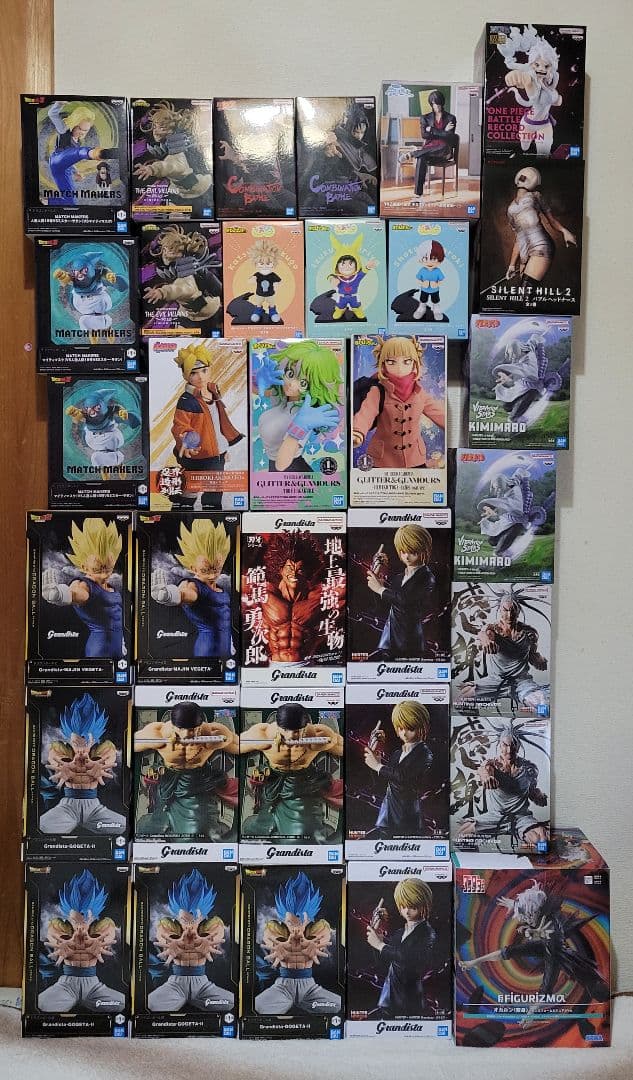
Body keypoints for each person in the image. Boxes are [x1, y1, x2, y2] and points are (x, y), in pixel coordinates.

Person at [459, 878, 610, 1010]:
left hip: (560, 956)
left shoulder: (551, 934)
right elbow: (533, 906)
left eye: (525, 916)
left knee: (587, 989)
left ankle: (602, 995)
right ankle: (474, 962)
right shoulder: (541, 912)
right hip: (547, 943)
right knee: (510, 951)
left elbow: (548, 980)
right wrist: (515, 905)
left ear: (533, 913)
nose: (523, 919)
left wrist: (532, 1012)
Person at [135, 700, 238, 840]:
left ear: (200, 726)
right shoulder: (158, 734)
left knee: (200, 833)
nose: (186, 735)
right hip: (169, 782)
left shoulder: (213, 733)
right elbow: (129, 745)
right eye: (181, 729)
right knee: (156, 827)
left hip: (198, 782)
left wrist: (267, 744)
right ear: (173, 725)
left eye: (192, 730)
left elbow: (239, 746)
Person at [240, 702, 343, 842]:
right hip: (273, 781)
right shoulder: (263, 735)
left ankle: (306, 827)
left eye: (296, 731)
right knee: (259, 825)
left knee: (300, 837)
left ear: (305, 726)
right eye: (285, 730)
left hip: (301, 783)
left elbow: (345, 749)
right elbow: (235, 745)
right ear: (278, 726)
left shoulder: (318, 735)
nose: (291, 736)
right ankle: (267, 825)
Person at [170, 341, 244, 510]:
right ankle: (179, 512)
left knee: (214, 493)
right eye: (193, 373)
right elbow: (179, 425)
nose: (200, 377)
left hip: (216, 455)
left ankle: (212, 516)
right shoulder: (187, 400)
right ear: (186, 376)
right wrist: (186, 440)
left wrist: (222, 447)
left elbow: (217, 423)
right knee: (189, 491)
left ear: (210, 369)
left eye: (204, 370)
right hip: (197, 454)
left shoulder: (213, 391)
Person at [352, 336, 445, 471]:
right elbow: (366, 413)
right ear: (383, 364)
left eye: (407, 361)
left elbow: (438, 413)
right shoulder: (378, 391)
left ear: (415, 363)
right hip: (383, 458)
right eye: (391, 362)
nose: (400, 368)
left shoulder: (419, 393)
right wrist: (357, 432)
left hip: (414, 457)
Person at [38, 869, 124, 1013]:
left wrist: (99, 943)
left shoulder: (104, 926)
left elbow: (109, 937)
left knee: (124, 1005)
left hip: (94, 986)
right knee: (41, 1006)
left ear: (94, 916)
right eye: (75, 920)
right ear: (68, 915)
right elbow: (54, 938)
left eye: (85, 920)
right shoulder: (59, 927)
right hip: (66, 985)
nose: (80, 926)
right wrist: (62, 944)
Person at [148, 868, 234, 1012]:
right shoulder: (167, 927)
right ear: (177, 916)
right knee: (150, 1006)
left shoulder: (213, 926)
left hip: (203, 985)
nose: (189, 926)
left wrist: (207, 941)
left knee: (233, 1004)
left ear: (203, 917)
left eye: (194, 920)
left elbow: (217, 941)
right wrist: (171, 945)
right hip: (175, 984)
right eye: (184, 920)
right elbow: (163, 942)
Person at [39, 693, 125, 836]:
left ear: (95, 739)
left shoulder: (104, 749)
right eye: (76, 742)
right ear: (69, 738)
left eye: (85, 742)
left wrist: (99, 765)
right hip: (67, 807)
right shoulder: (60, 749)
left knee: (123, 827)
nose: (80, 749)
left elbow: (109, 758)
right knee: (42, 828)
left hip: (95, 809)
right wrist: (63, 768)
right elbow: (54, 758)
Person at [255, 871, 340, 1015]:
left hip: (311, 988)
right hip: (282, 987)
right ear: (284, 919)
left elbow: (323, 937)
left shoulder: (319, 928)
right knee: (258, 1007)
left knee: (338, 1006)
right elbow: (270, 938)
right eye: (291, 922)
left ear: (310, 920)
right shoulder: (275, 929)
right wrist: (278, 946)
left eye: (301, 922)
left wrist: (313, 944)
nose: (296, 928)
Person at [457, 719, 548, 849]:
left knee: (541, 840)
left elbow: (532, 792)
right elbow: (484, 771)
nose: (509, 750)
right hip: (496, 816)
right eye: (505, 745)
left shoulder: (529, 769)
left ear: (518, 746)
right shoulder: (492, 765)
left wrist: (539, 796)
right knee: (462, 836)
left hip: (521, 817)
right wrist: (487, 777)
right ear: (500, 745)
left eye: (513, 745)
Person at [253, 340, 342, 473]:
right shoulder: (282, 399)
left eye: (303, 383)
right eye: (290, 373)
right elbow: (256, 390)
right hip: (275, 474)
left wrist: (298, 429)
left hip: (293, 474)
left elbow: (281, 465)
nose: (291, 384)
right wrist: (257, 379)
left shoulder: (305, 414)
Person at [151, 518, 233, 659]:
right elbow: (185, 594)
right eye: (205, 569)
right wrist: (168, 596)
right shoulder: (192, 585)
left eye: (217, 568)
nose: (212, 574)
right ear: (193, 568)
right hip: (208, 650)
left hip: (226, 649)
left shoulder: (219, 586)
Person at [41, 517, 123, 658]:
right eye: (98, 569)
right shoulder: (84, 585)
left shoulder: (111, 584)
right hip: (100, 649)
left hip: (119, 648)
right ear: (84, 567)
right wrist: (59, 594)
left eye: (109, 568)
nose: (104, 574)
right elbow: (77, 593)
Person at [363, 523, 437, 660]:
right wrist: (378, 575)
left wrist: (380, 588)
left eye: (412, 552)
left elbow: (407, 600)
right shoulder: (398, 578)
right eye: (403, 552)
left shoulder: (427, 577)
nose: (407, 556)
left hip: (409, 643)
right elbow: (383, 606)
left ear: (424, 550)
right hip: (388, 641)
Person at [366, 879, 437, 1017]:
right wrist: (378, 938)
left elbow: (410, 957)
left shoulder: (428, 933)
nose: (407, 911)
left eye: (412, 907)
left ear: (424, 905)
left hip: (409, 1001)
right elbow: (384, 962)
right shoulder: (400, 933)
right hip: (388, 998)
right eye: (403, 906)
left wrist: (380, 945)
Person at [468, 588, 549, 710]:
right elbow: (483, 633)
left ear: (518, 611)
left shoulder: (530, 633)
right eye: (505, 610)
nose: (509, 615)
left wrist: (539, 660)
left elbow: (532, 655)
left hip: (522, 682)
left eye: (513, 610)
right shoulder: (492, 629)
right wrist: (485, 640)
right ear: (499, 610)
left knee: (542, 706)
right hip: (495, 681)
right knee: (462, 699)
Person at [363, 701, 434, 838]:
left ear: (423, 727)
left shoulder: (425, 754)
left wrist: (378, 766)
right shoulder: (397, 753)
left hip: (406, 817)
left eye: (410, 728)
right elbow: (386, 779)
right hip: (387, 814)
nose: (404, 733)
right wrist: (376, 755)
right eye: (400, 728)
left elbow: (403, 777)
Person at [505, 166, 576, 289]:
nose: (522, 179)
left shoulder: (536, 196)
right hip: (525, 251)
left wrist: (564, 231)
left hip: (541, 245)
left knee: (526, 290)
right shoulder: (510, 209)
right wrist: (512, 265)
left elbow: (551, 220)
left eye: (524, 178)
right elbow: (518, 238)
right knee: (523, 293)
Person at [133, 100, 213, 208]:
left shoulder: (177, 154)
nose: (155, 131)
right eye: (155, 127)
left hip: (198, 191)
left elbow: (169, 166)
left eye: (161, 127)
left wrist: (151, 169)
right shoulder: (166, 149)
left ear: (170, 131)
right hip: (179, 192)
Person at [497, 25, 562, 156]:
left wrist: (556, 98)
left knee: (543, 154)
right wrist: (514, 75)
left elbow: (557, 100)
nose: (541, 69)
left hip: (545, 124)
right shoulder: (530, 76)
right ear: (532, 64)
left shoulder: (552, 80)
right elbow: (514, 69)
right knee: (524, 147)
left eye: (546, 66)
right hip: (527, 123)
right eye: (537, 65)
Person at [143, 225, 221, 329]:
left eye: (171, 249)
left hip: (207, 309)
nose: (165, 252)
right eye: (165, 249)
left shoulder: (186, 275)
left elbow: (179, 288)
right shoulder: (171, 269)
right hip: (189, 312)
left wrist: (161, 292)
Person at [46, 100, 118, 206]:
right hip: (57, 160)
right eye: (80, 128)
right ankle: (100, 153)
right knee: (81, 152)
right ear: (74, 124)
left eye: (85, 130)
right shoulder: (64, 130)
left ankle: (44, 201)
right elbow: (52, 114)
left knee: (71, 201)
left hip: (65, 169)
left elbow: (71, 158)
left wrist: (76, 172)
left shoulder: (78, 142)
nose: (82, 133)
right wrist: (59, 104)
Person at [397, 90, 457, 207]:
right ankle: (417, 195)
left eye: (439, 104)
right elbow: (424, 135)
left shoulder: (451, 118)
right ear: (431, 104)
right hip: (429, 150)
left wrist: (433, 130)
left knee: (443, 145)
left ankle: (412, 154)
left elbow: (450, 137)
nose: (437, 107)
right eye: (434, 104)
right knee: (421, 158)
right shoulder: (425, 118)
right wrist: (443, 131)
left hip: (444, 152)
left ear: (442, 103)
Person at [53, 251, 127, 336]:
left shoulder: (96, 274)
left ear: (89, 268)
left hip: (97, 299)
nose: (79, 274)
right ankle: (93, 334)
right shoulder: (74, 277)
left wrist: (109, 275)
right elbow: (67, 279)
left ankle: (107, 329)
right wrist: (62, 276)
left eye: (82, 270)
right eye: (75, 271)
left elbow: (105, 272)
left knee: (103, 321)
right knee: (86, 322)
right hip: (83, 303)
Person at [66, 387, 140, 470]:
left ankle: (118, 465)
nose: (91, 411)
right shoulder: (86, 415)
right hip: (95, 439)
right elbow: (79, 416)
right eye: (88, 408)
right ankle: (106, 468)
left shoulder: (109, 411)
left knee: (116, 459)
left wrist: (123, 412)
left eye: (96, 407)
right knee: (98, 459)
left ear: (102, 405)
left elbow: (119, 409)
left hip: (109, 437)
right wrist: (74, 412)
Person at [327, 232, 377, 321]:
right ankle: (340, 310)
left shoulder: (356, 277)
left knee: (356, 306)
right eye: (343, 264)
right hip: (341, 297)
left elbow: (363, 271)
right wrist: (332, 279)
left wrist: (368, 267)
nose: (347, 267)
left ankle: (357, 310)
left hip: (354, 297)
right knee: (340, 306)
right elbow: (330, 276)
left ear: (356, 264)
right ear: (336, 266)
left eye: (350, 264)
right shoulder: (337, 277)